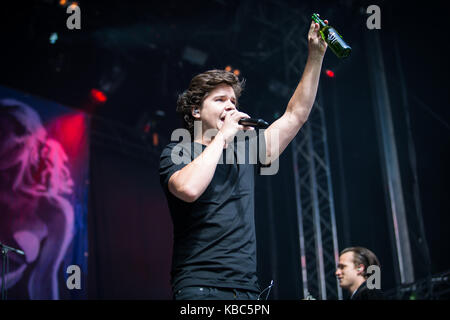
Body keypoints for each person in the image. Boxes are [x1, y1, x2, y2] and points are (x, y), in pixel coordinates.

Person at [159, 19, 328, 300]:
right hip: (200, 286)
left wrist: (315, 56)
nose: (230, 106)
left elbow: (295, 115)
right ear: (197, 111)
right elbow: (188, 189)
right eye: (220, 100)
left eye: (234, 102)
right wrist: (223, 137)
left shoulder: (245, 149)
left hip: (247, 288)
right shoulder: (178, 152)